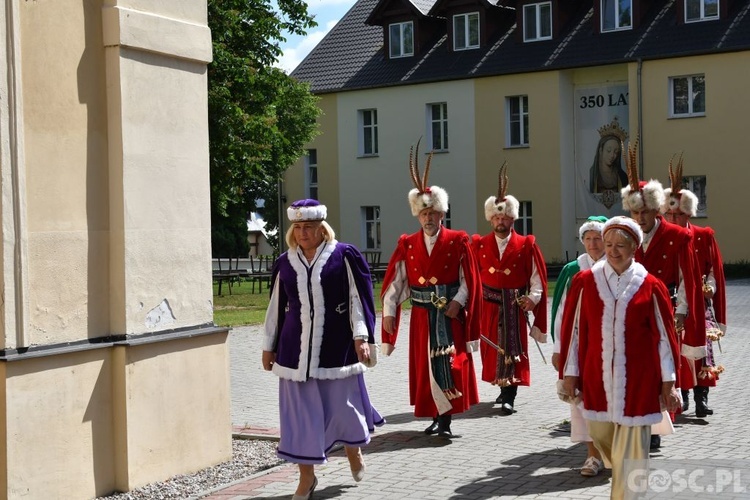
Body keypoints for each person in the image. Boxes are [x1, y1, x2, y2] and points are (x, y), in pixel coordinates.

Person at [262, 199, 384, 500]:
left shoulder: (344, 256)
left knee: (343, 408)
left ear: (322, 229)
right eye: (299, 227)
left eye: (310, 227)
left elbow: (359, 299)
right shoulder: (285, 262)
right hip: (294, 352)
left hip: (337, 347)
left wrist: (361, 337)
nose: (304, 233)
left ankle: (353, 449)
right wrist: (269, 346)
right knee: (300, 419)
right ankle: (306, 478)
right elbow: (276, 307)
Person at [558, 216, 682, 500]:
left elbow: (664, 338)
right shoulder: (585, 282)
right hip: (596, 379)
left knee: (632, 454)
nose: (613, 250)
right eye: (608, 243)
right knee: (600, 436)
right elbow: (574, 333)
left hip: (639, 381)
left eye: (620, 246)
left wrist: (668, 382)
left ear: (634, 248)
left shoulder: (650, 285)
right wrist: (569, 373)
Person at [381, 142, 481, 437]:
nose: (428, 218)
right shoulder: (408, 244)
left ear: (441, 214)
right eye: (423, 214)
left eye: (432, 213)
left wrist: (459, 302)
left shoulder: (458, 240)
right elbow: (397, 281)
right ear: (417, 215)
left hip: (449, 315)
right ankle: (436, 416)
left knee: (449, 364)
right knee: (426, 367)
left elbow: (469, 278)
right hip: (423, 318)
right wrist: (388, 314)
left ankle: (447, 420)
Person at [620, 140, 705, 451]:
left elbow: (687, 278)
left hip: (665, 308)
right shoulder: (624, 235)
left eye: (644, 212)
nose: (639, 219)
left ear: (657, 209)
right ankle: (633, 419)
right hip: (629, 311)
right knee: (634, 367)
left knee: (660, 367)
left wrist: (682, 311)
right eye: (634, 212)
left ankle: (655, 426)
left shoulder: (678, 236)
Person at [472, 163, 547, 415]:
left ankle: (509, 394)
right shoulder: (479, 245)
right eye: (496, 217)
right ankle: (500, 386)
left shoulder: (526, 244)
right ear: (490, 218)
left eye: (504, 217)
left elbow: (537, 277)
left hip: (513, 306)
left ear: (513, 218)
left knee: (512, 350)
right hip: (488, 306)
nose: (500, 221)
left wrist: (533, 298)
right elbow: (470, 277)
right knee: (492, 350)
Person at [662, 156, 726, 417]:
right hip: (672, 303)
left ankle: (701, 398)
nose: (673, 218)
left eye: (678, 214)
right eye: (669, 213)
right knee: (676, 351)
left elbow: (713, 268)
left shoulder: (703, 235)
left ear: (688, 213)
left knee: (701, 351)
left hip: (698, 304)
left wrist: (709, 287)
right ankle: (683, 397)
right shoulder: (664, 238)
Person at [550, 216, 607, 477]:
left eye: (598, 238)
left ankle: (613, 452)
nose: (593, 244)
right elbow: (561, 313)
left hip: (610, 346)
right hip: (579, 347)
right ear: (582, 241)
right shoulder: (573, 270)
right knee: (581, 400)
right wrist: (559, 348)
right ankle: (592, 455)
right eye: (588, 239)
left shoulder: (617, 266)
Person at [589, 118, 629, 194]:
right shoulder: (592, 173)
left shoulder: (622, 176)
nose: (612, 155)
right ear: (601, 150)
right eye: (608, 150)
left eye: (616, 152)